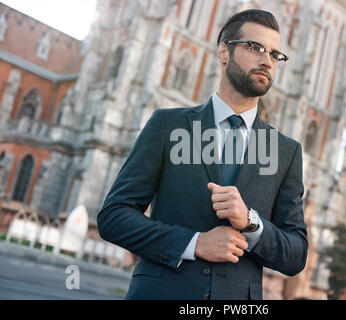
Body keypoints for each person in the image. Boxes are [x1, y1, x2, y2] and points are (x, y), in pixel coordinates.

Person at [97, 9, 308, 300]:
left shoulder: (287, 152)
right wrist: (194, 243)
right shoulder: (167, 125)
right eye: (254, 47)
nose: (266, 60)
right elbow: (113, 217)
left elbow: (296, 254)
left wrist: (250, 222)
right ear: (224, 51)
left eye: (274, 54)